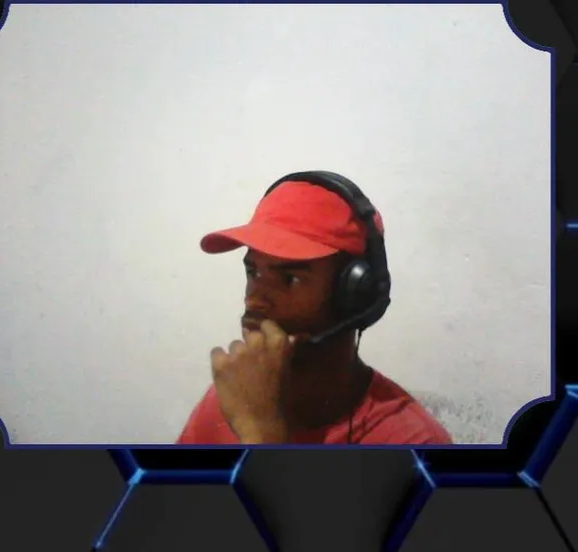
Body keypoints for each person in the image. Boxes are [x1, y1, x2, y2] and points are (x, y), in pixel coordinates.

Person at [177, 172, 453, 445]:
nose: (255, 301)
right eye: (254, 273)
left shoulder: (414, 441)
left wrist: (261, 432)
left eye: (290, 279)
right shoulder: (235, 397)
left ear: (352, 293)